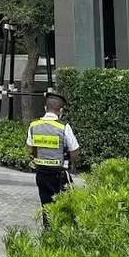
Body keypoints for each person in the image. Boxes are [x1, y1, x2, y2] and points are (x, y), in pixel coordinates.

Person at [26, 91, 80, 226]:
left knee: (46, 205)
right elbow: (75, 151)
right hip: (59, 174)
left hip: (41, 173)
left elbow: (29, 150)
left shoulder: (33, 126)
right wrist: (73, 163)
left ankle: (48, 230)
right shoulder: (64, 127)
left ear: (45, 108)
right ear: (61, 111)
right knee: (65, 205)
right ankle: (62, 231)